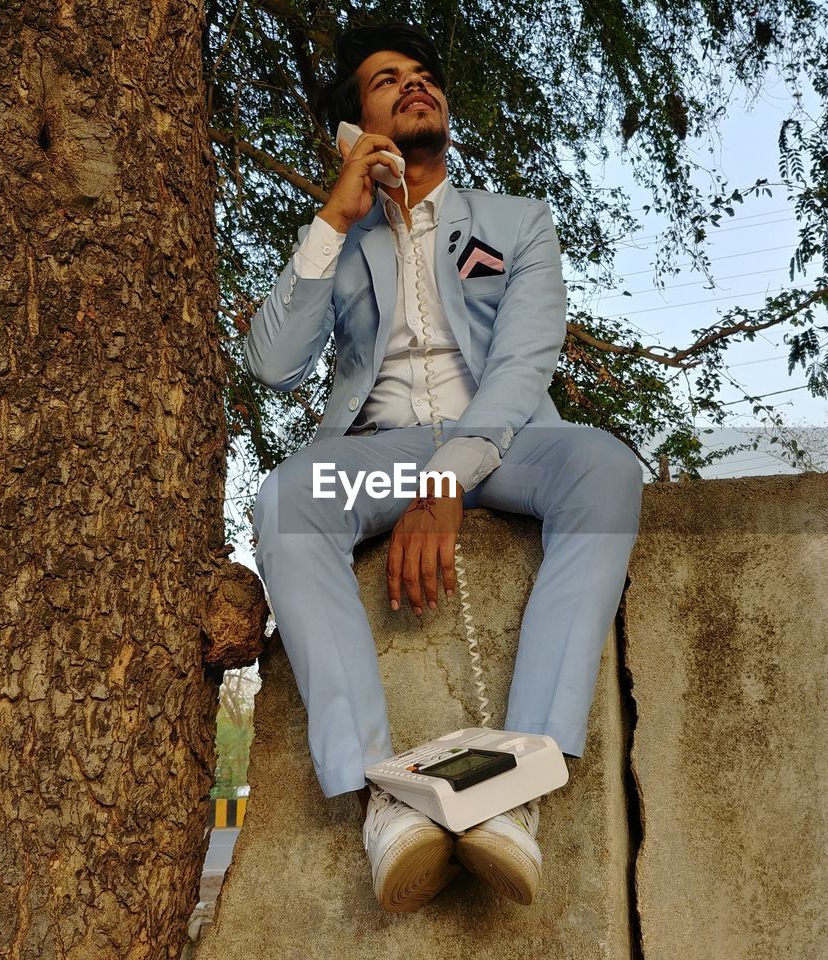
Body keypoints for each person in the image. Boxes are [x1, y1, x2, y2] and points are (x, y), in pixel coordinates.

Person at [245, 22, 643, 912]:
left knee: (608, 472)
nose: (415, 86)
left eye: (423, 75)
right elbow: (272, 365)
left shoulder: (515, 222)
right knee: (286, 501)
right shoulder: (337, 240)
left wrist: (447, 481)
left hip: (503, 441)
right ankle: (383, 800)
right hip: (377, 451)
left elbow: (524, 361)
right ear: (356, 126)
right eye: (387, 80)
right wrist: (333, 216)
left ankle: (517, 791)